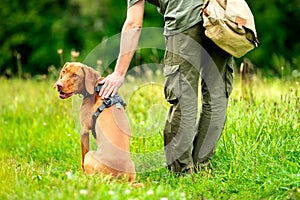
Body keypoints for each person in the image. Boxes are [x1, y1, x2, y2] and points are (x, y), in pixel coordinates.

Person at [99, 0, 234, 175]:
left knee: (184, 98)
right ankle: (203, 166)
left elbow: (134, 24)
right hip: (221, 17)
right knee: (217, 97)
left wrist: (119, 72)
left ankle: (183, 172)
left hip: (184, 22)